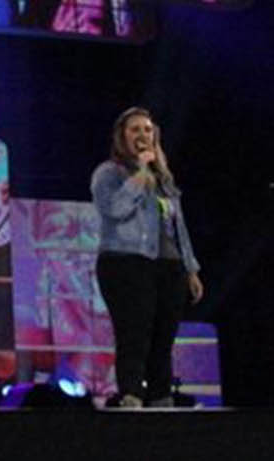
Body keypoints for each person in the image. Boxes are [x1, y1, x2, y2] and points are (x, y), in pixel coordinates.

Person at [90, 107, 204, 408]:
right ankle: (131, 393)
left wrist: (190, 269)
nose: (143, 135)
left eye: (148, 129)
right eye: (135, 130)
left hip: (168, 266)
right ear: (122, 137)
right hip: (126, 262)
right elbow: (113, 210)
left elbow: (179, 226)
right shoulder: (109, 173)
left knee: (163, 336)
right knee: (134, 331)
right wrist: (139, 174)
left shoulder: (164, 179)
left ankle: (160, 395)